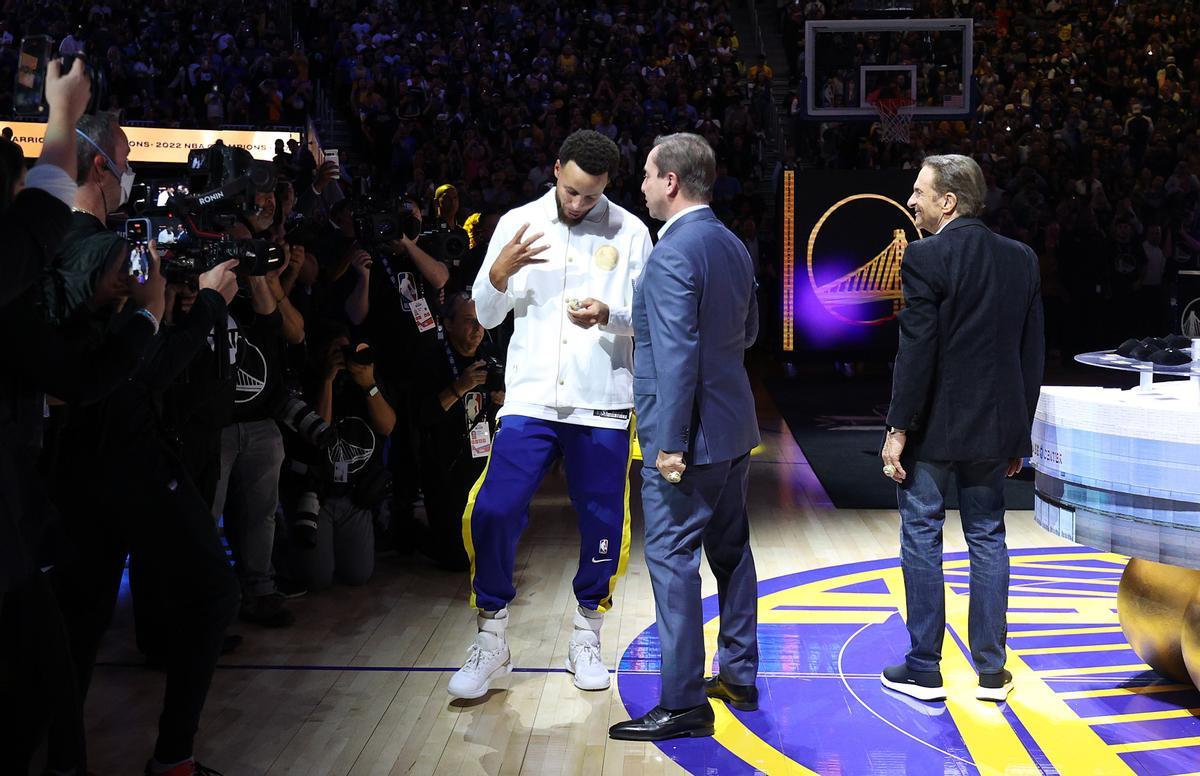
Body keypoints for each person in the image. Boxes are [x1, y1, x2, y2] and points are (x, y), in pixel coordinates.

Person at [451, 129, 651, 699]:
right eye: (570, 191)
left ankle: (587, 632)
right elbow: (486, 318)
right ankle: (492, 641)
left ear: (608, 184)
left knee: (604, 523)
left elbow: (654, 317)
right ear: (556, 168)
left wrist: (609, 314)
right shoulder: (517, 222)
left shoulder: (632, 232)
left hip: (603, 402)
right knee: (493, 509)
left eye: (590, 196)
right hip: (531, 400)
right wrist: (498, 273)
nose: (577, 204)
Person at [608, 133, 760, 741]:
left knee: (672, 561)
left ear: (671, 181)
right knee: (731, 551)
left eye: (646, 174)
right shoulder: (731, 243)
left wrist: (667, 442)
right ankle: (741, 674)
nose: (641, 185)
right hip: (732, 428)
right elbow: (747, 333)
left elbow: (674, 354)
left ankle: (684, 701)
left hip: (688, 441)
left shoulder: (672, 253)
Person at [879, 154, 1044, 704]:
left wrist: (898, 427)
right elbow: (1031, 355)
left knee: (922, 534)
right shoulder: (1021, 258)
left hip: (934, 430)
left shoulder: (926, 256)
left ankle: (924, 667)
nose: (913, 201)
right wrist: (1020, 434)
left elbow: (916, 351)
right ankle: (992, 673)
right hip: (995, 429)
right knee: (988, 537)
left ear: (948, 202)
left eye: (920, 192)